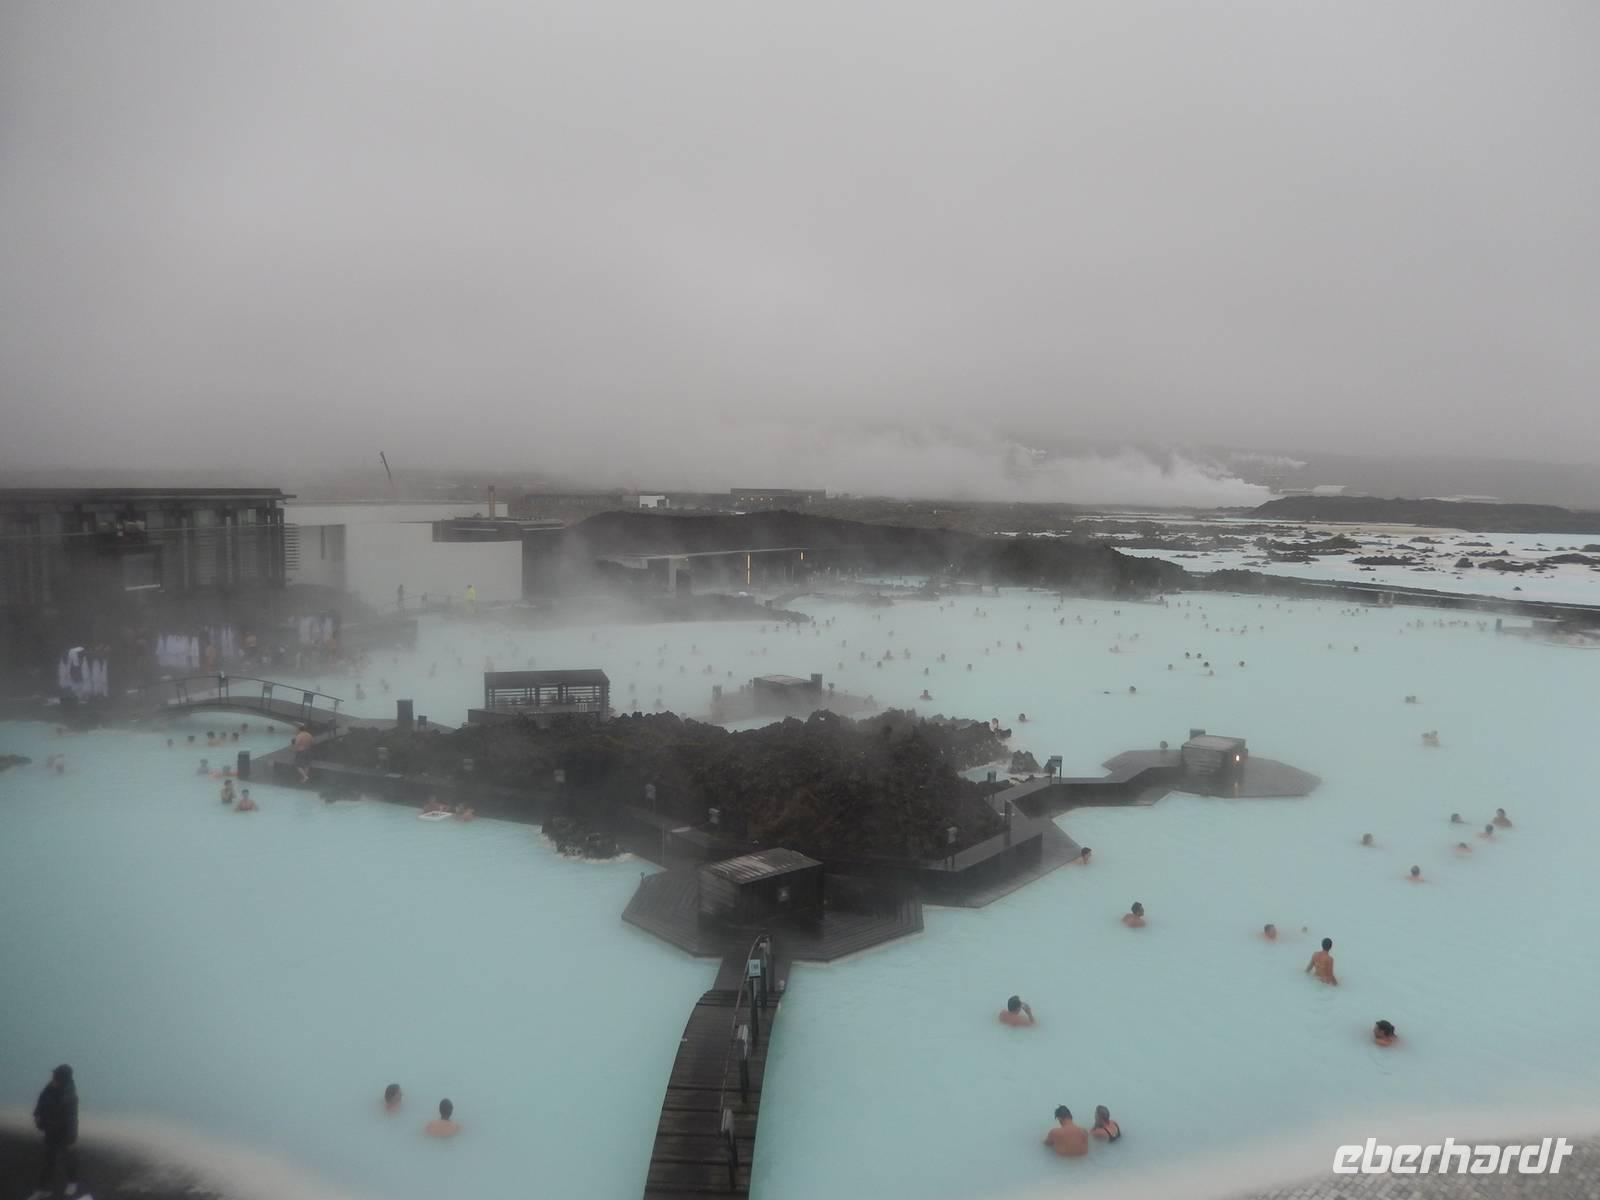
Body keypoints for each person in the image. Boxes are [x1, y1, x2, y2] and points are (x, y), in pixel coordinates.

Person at [27, 1063, 78, 1200]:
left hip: (63, 1132)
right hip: (50, 1130)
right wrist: (37, 1115)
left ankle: (72, 1182)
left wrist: (71, 1138)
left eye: (56, 1076)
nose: (53, 1078)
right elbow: (41, 1102)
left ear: (62, 1079)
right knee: (48, 1161)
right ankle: (43, 1189)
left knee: (67, 1158)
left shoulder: (70, 1096)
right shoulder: (49, 1088)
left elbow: (72, 1118)